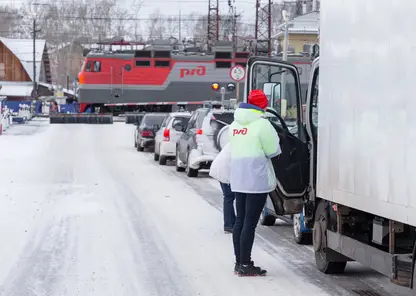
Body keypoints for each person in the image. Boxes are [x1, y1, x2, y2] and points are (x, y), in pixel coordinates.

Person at [228, 89, 281, 276]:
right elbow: (274, 150)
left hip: (238, 179)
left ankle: (238, 263)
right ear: (262, 105)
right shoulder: (262, 124)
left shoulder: (234, 124)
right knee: (250, 223)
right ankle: (245, 264)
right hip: (256, 179)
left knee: (240, 221)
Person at [209, 143, 236, 233]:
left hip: (222, 168)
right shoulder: (241, 145)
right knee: (229, 197)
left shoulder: (237, 139)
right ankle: (228, 225)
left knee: (229, 197)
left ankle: (232, 222)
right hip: (225, 171)